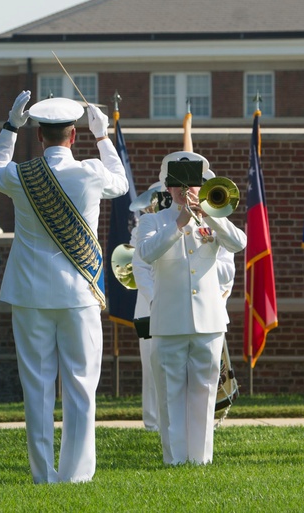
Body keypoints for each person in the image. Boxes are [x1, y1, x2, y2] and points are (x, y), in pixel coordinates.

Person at [0, 91, 128, 484]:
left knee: (36, 387)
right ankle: (76, 474)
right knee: (81, 385)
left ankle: (42, 474)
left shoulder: (20, 174)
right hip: (78, 293)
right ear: (73, 137)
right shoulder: (91, 172)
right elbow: (121, 183)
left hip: (30, 293)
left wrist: (10, 126)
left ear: (40, 137)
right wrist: (104, 137)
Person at [134, 153, 246, 465]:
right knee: (170, 394)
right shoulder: (152, 221)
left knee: (204, 392)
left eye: (193, 183)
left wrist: (210, 216)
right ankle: (175, 459)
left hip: (208, 322)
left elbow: (240, 243)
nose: (186, 190)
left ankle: (201, 459)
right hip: (168, 320)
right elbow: (146, 253)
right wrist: (179, 224)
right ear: (167, 187)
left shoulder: (213, 217)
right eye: (179, 184)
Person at [130, 181, 164, 433]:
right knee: (151, 366)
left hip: (176, 303)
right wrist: (157, 301)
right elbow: (140, 268)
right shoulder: (143, 227)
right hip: (149, 306)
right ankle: (153, 422)